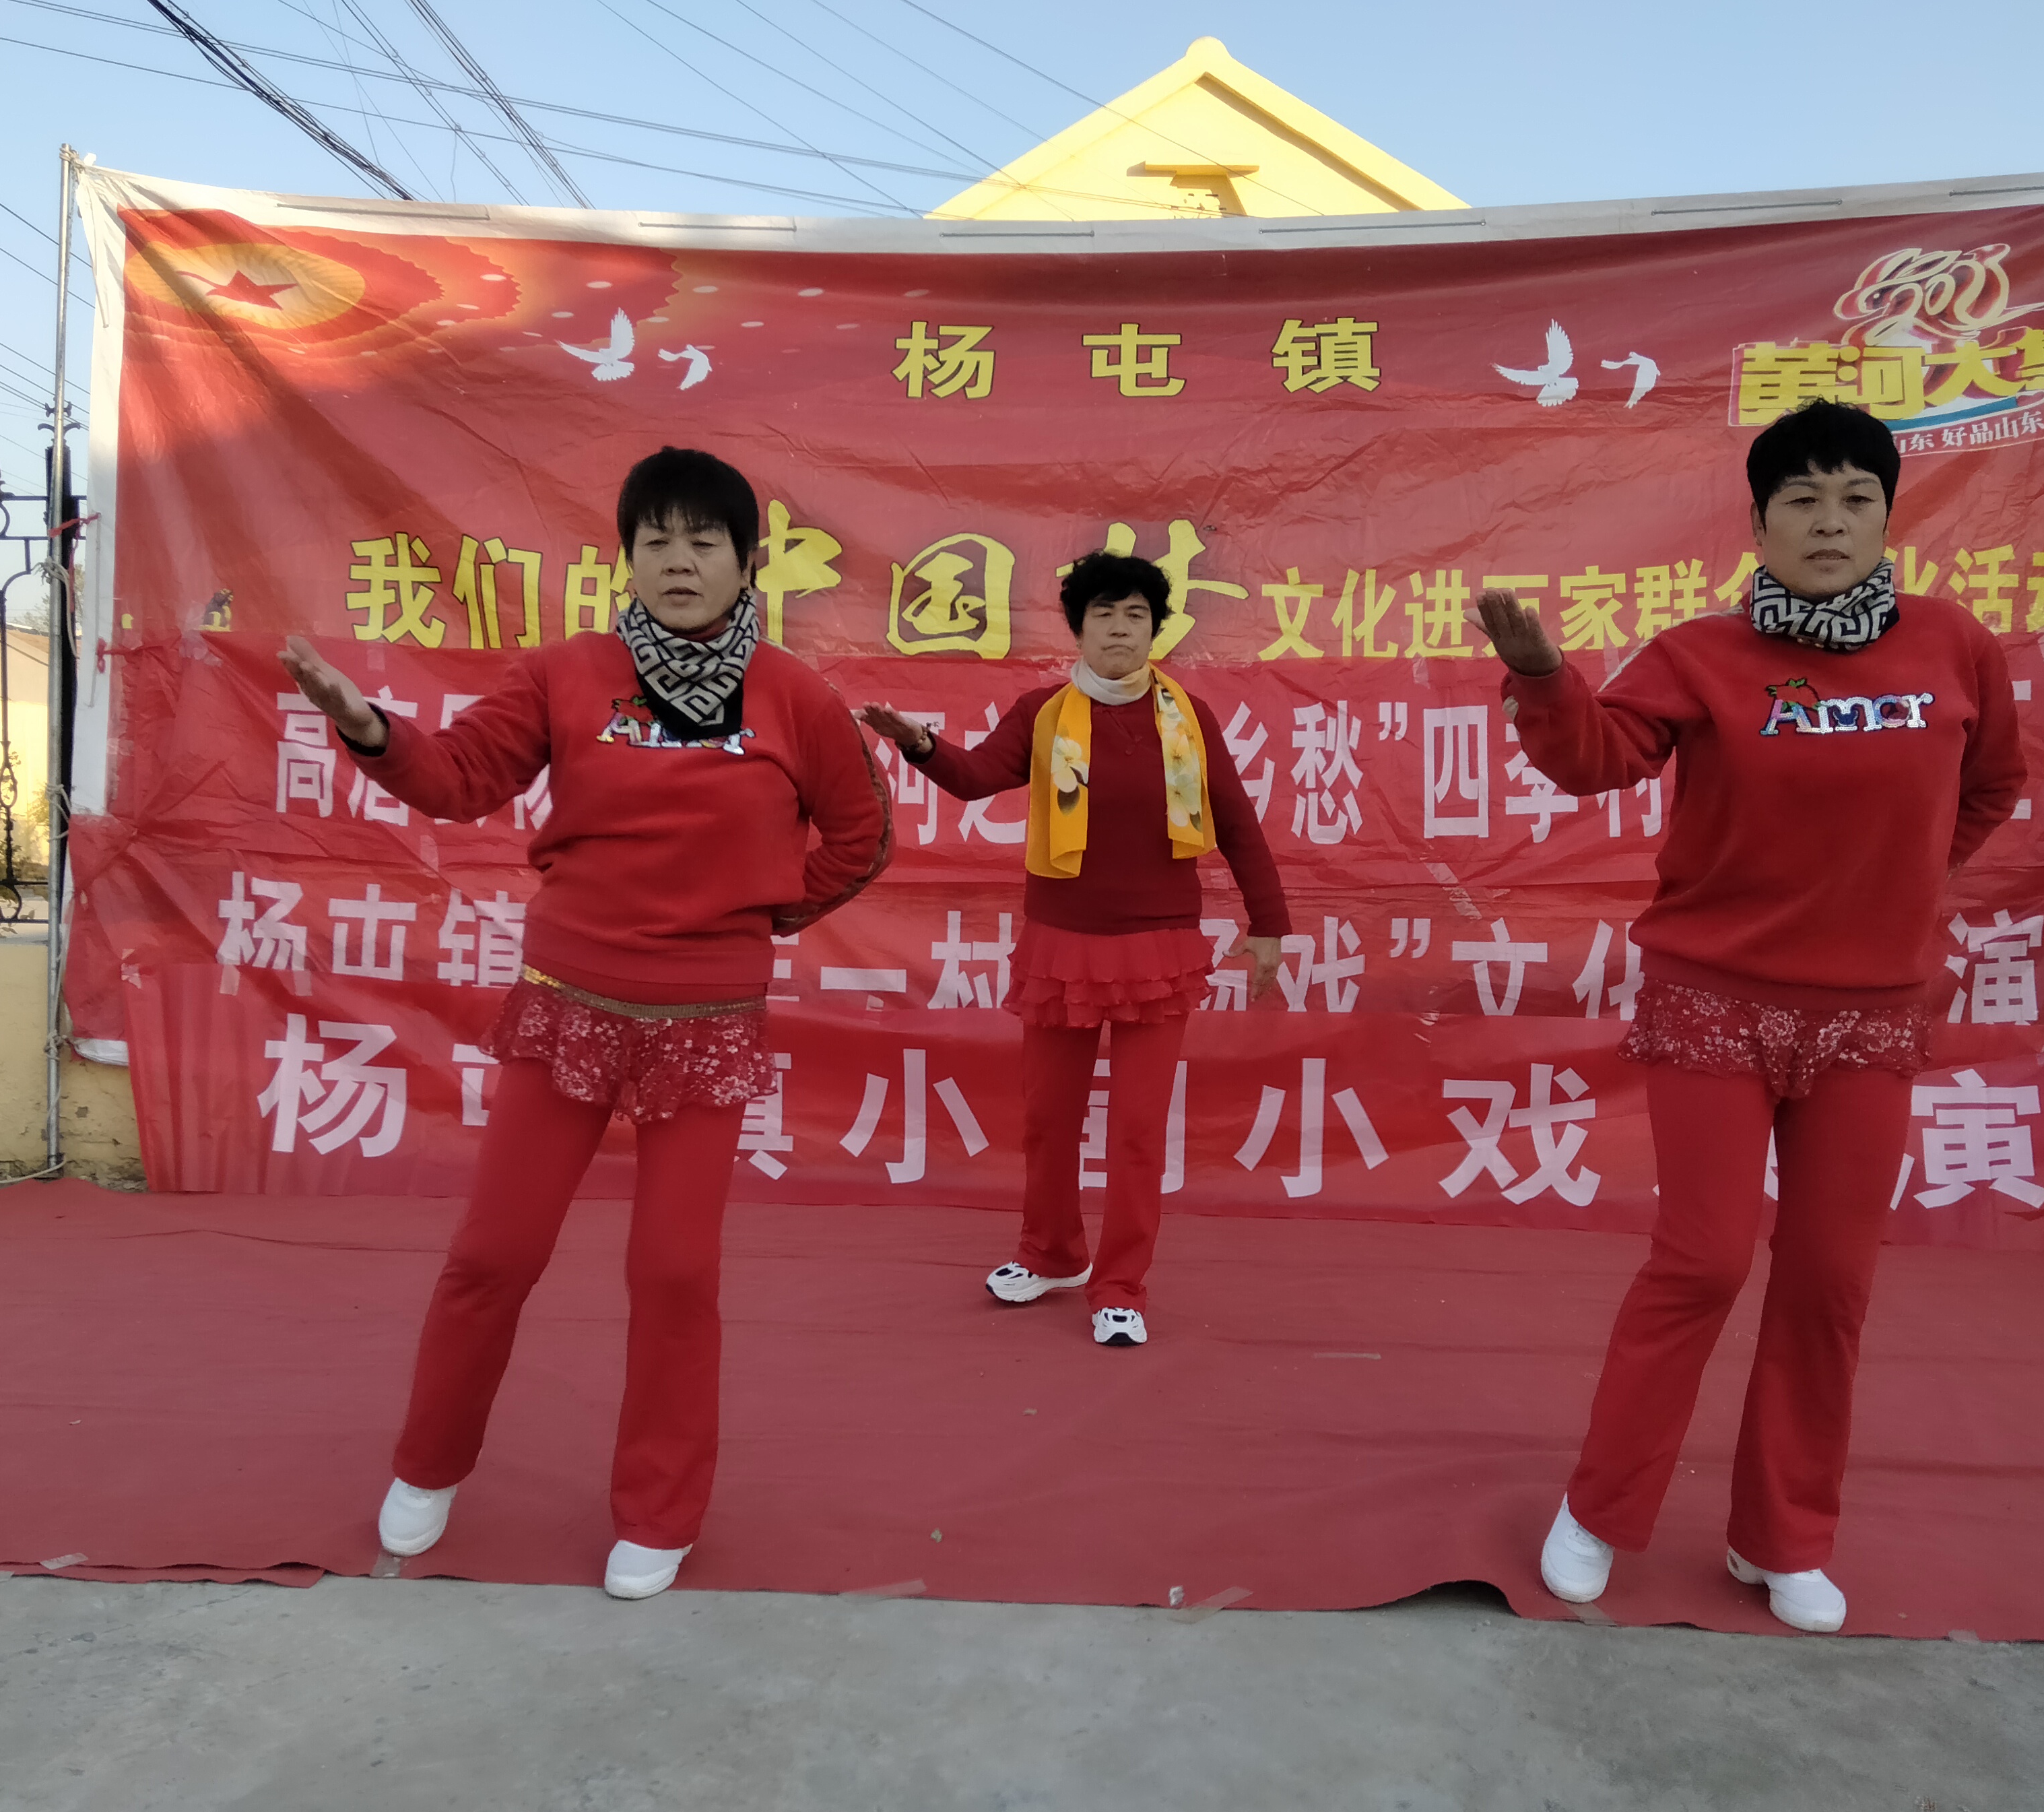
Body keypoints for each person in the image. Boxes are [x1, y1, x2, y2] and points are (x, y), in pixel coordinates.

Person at [279, 446, 890, 1598]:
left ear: (748, 561)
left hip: (707, 1022)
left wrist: (761, 912)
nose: (678, 561)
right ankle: (429, 1463)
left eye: (704, 541)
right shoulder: (566, 674)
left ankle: (660, 1510)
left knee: (674, 1274)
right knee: (493, 1254)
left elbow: (861, 836)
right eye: (655, 540)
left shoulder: (796, 698)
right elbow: (461, 775)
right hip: (570, 1007)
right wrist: (370, 730)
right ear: (626, 558)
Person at [1477, 400, 2022, 1633]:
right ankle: (1599, 1510)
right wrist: (1542, 677)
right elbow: (1597, 758)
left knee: (1830, 1279)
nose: (1830, 523)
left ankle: (1783, 1537)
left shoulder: (1953, 644)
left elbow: (1992, 782)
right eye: (1802, 501)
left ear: (1888, 518)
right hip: (1716, 999)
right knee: (1706, 1257)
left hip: (1868, 1018)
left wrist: (1904, 885)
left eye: (1856, 500)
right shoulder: (1703, 654)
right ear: (1761, 523)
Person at [857, 551, 1291, 1348]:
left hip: (1158, 949)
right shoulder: (1042, 712)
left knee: (1136, 1130)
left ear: (1155, 630)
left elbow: (1235, 822)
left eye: (1135, 615)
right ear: (1078, 629)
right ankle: (1051, 1253)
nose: (1119, 629)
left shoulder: (1188, 718)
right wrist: (918, 744)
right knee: (1048, 1119)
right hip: (1061, 947)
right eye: (1103, 615)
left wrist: (1269, 926)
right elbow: (976, 776)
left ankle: (1120, 1285)